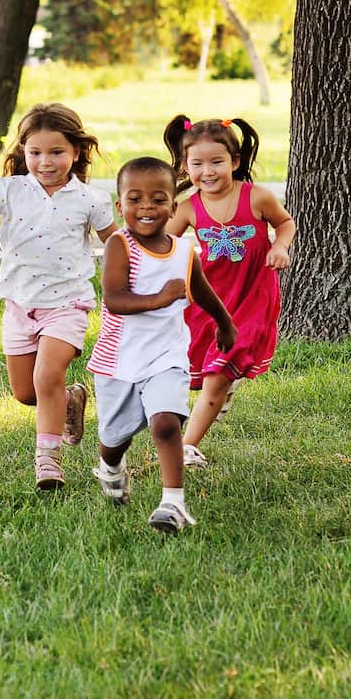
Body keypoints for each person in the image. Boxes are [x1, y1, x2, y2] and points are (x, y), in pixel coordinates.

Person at [0, 103, 116, 490]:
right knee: (26, 393)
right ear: (23, 152)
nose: (45, 162)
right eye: (35, 152)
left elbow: (117, 243)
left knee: (46, 375)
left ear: (76, 152)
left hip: (68, 305)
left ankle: (47, 462)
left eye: (56, 152)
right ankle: (69, 400)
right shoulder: (10, 189)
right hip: (20, 305)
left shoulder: (89, 199)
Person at [88, 158, 236, 532]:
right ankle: (110, 466)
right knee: (114, 438)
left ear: (174, 206)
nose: (147, 208)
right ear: (120, 206)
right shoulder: (120, 245)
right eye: (135, 199)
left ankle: (173, 504)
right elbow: (116, 299)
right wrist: (158, 299)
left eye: (158, 199)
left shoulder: (184, 251)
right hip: (118, 361)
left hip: (167, 356)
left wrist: (224, 323)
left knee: (166, 424)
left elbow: (201, 290)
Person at [162, 116, 295, 468]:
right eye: (197, 163)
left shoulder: (256, 197)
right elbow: (163, 244)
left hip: (253, 297)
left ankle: (186, 446)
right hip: (210, 298)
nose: (208, 171)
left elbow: (285, 223)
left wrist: (280, 246)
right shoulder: (189, 207)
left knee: (217, 373)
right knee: (199, 368)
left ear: (235, 162)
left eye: (217, 162)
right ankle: (220, 389)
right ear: (185, 165)